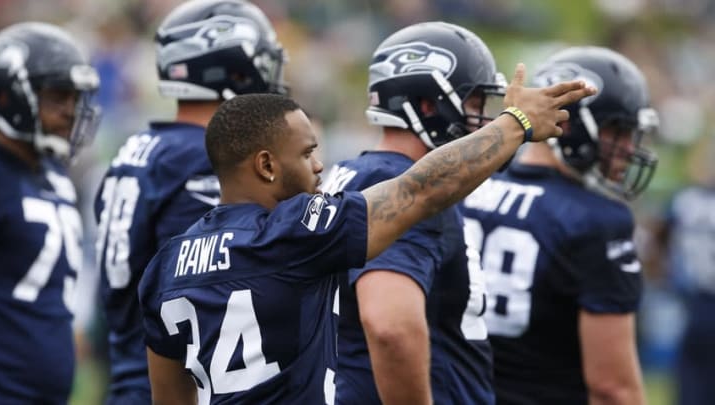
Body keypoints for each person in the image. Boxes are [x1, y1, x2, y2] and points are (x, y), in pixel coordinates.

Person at [139, 70, 596, 403]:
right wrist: (516, 122)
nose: (319, 166)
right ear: (266, 165)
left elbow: (171, 399)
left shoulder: (165, 265)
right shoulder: (292, 232)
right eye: (307, 153)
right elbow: (421, 189)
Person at [92, 0, 288, 403]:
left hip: (129, 372)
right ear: (233, 71)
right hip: (179, 383)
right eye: (262, 64)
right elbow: (209, 283)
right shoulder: (205, 158)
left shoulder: (137, 150)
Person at [460, 46, 658, 405]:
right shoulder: (596, 220)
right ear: (568, 123)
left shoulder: (470, 188)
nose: (629, 149)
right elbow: (612, 388)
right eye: (618, 131)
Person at [321, 22, 505, 404]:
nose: (482, 122)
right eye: (474, 104)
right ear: (427, 105)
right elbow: (391, 327)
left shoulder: (354, 172)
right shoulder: (397, 181)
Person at [0, 22, 101, 403]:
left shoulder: (54, 172)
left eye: (74, 98)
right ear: (8, 95)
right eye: (57, 96)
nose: (70, 111)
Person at [657, 136, 715, 405]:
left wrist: (667, 272)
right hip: (702, 300)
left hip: (694, 301)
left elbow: (661, 235)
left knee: (691, 387)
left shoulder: (684, 201)